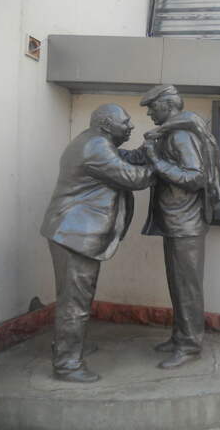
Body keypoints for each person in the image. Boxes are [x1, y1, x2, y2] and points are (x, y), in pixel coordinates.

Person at [41, 104, 154, 382]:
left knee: (74, 298)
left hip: (73, 233)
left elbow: (128, 159)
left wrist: (150, 148)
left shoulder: (94, 141)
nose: (131, 126)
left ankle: (68, 347)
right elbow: (133, 177)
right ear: (106, 125)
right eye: (125, 122)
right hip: (74, 236)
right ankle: (67, 364)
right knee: (74, 303)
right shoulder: (96, 147)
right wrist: (163, 164)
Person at [137, 85, 220, 369]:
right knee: (178, 285)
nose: (149, 113)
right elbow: (142, 156)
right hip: (176, 222)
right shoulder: (167, 133)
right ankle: (180, 337)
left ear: (167, 104)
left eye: (152, 107)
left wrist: (156, 161)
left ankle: (189, 345)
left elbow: (195, 177)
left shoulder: (180, 135)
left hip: (186, 224)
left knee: (187, 288)